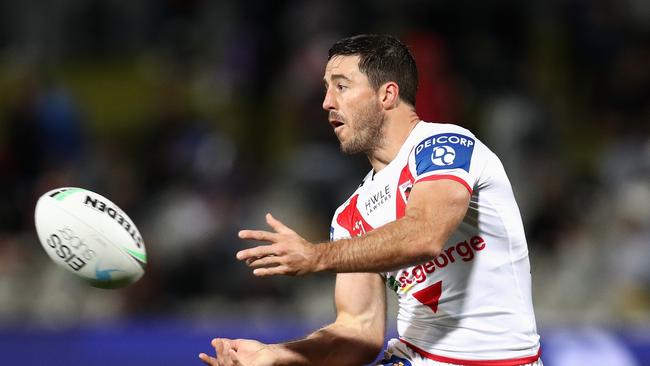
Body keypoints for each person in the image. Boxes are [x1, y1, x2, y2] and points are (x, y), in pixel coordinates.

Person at [199, 34, 542, 366]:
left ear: (387, 95)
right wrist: (277, 355)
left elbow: (424, 235)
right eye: (326, 88)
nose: (327, 102)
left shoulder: (444, 147)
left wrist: (316, 256)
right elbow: (358, 328)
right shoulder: (350, 215)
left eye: (342, 86)